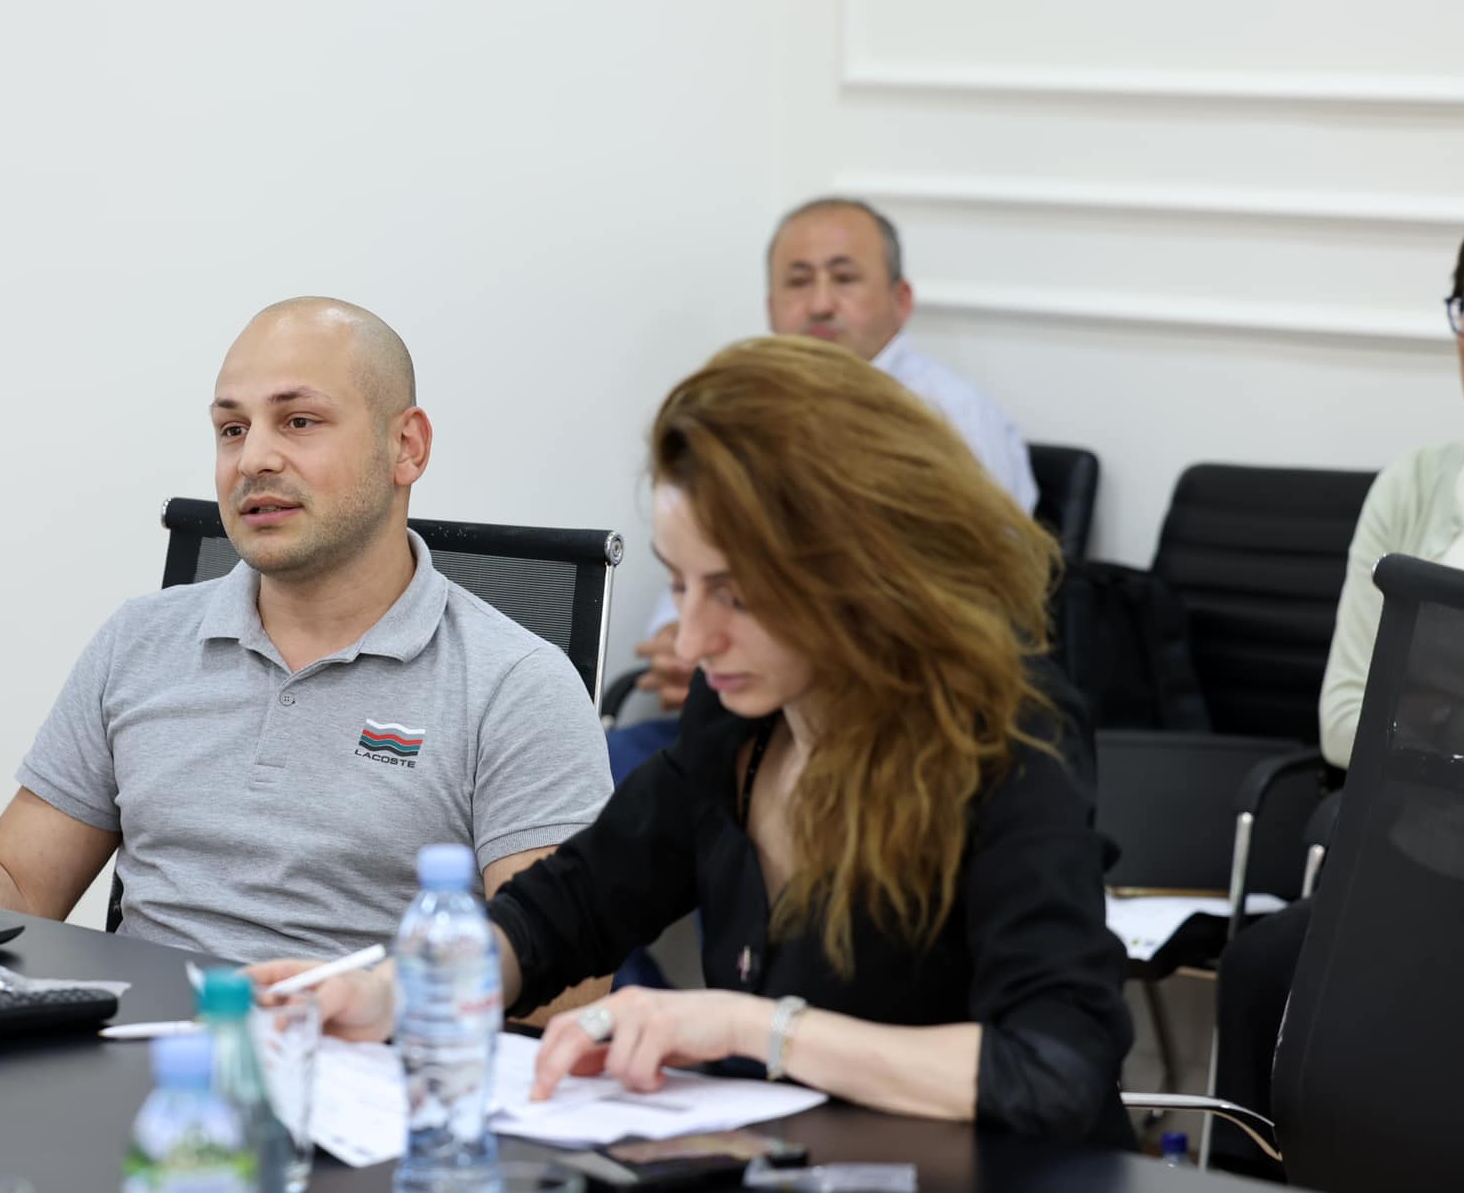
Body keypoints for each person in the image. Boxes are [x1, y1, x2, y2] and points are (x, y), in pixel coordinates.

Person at [253, 335, 1135, 1145]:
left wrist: (753, 1028)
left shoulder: (1007, 736)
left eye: (737, 595)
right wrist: (396, 993)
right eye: (682, 585)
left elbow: (1054, 1067)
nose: (696, 639)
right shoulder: (739, 720)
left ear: (863, 575)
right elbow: (572, 906)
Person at [0, 297, 614, 977]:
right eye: (231, 429)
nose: (253, 460)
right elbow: (16, 879)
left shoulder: (515, 685)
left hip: (357, 1086)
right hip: (125, 1067)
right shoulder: (139, 640)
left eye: (298, 421)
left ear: (407, 446)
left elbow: (564, 984)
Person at [614, 197, 1038, 781]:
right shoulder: (740, 416)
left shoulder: (951, 422)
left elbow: (972, 611)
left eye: (843, 279)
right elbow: (698, 570)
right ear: (771, 308)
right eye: (798, 281)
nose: (819, 303)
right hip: (731, 714)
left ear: (900, 300)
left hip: (886, 729)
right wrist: (677, 643)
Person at [1212, 227, 1464, 1177]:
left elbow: (1390, 722)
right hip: (1413, 859)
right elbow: (1343, 723)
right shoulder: (1418, 486)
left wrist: (1428, 711)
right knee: (1260, 972)